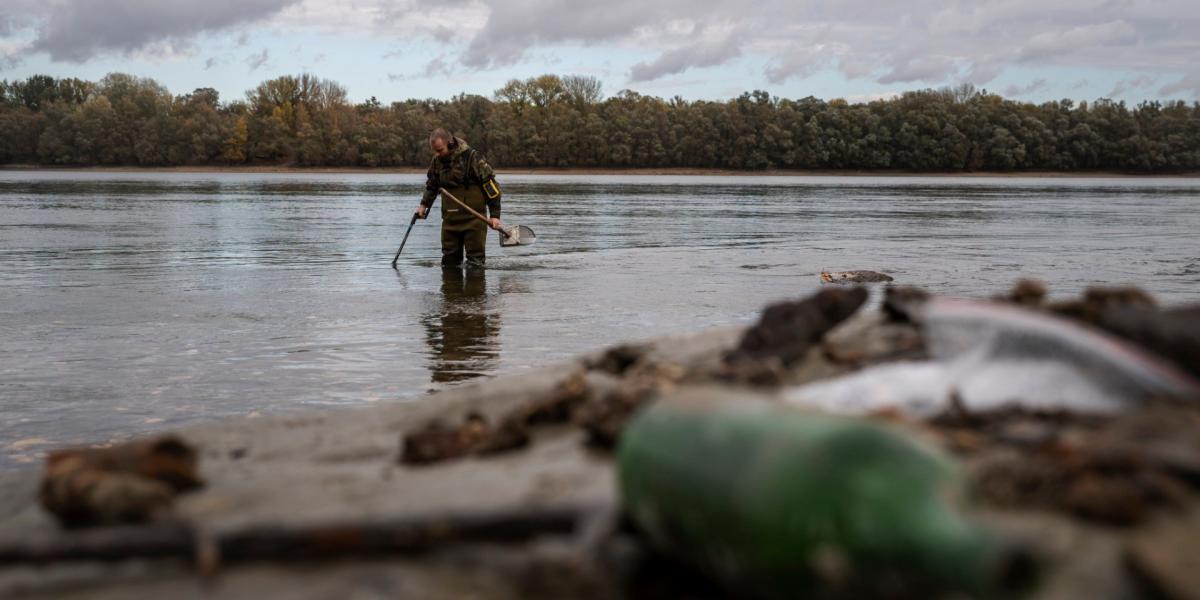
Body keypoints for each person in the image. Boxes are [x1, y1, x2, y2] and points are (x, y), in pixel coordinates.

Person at [416, 128, 502, 267]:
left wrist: (495, 215)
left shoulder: (472, 157)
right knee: (449, 264)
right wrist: (423, 206)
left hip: (474, 220)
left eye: (440, 150)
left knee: (476, 264)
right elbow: (432, 186)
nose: (437, 154)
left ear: (450, 144)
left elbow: (491, 188)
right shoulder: (437, 161)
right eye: (435, 151)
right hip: (450, 221)